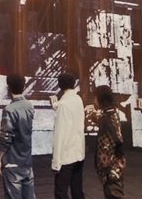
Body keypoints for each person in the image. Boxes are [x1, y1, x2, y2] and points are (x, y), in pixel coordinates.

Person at [0, 73, 36, 199]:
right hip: (27, 161)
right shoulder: (29, 106)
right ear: (24, 86)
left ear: (8, 88)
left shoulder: (9, 109)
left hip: (12, 162)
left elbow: (6, 136)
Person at [51, 71, 85, 199]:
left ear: (59, 85)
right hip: (78, 153)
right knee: (77, 191)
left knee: (61, 192)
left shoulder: (63, 105)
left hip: (66, 156)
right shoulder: (78, 99)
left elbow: (60, 135)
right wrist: (57, 106)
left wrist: (56, 163)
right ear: (74, 83)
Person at [92, 85, 125, 198]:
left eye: (95, 97)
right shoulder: (111, 113)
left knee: (113, 192)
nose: (94, 100)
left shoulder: (108, 116)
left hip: (111, 162)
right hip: (112, 161)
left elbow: (116, 137)